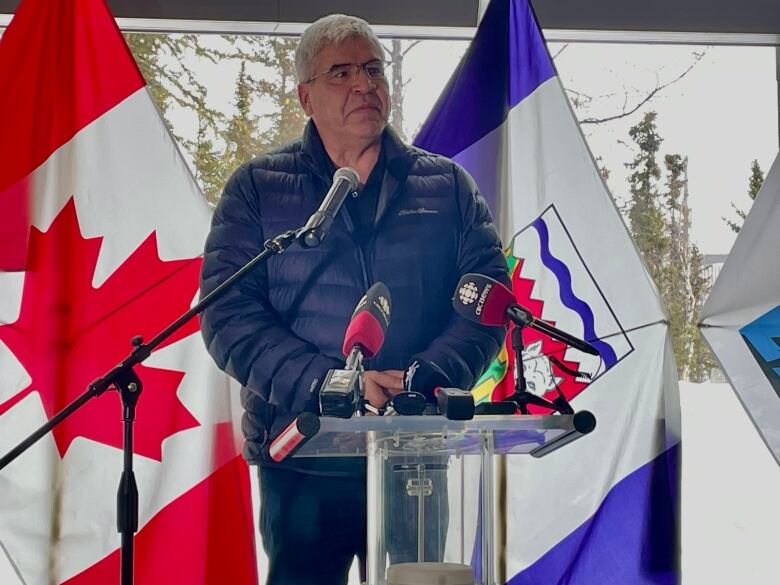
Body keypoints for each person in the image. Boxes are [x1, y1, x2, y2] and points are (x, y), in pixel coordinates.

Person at [199, 13, 508, 585]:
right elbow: (228, 316)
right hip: (302, 456)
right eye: (341, 72)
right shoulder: (258, 188)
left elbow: (486, 303)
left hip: (413, 453)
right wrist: (330, 384)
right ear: (305, 97)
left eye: (373, 69)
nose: (364, 84)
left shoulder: (447, 188)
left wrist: (423, 379)